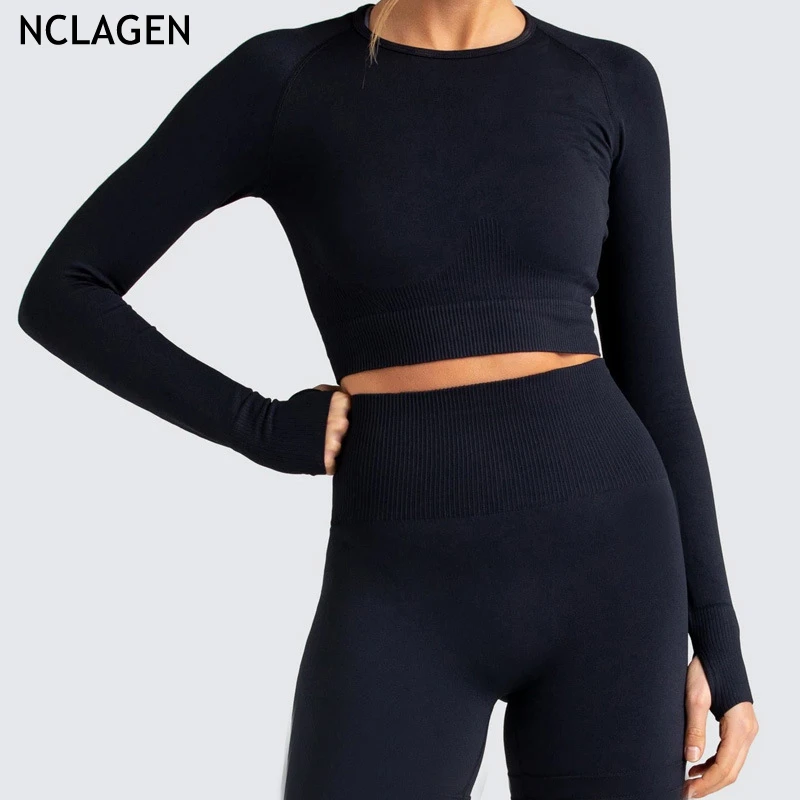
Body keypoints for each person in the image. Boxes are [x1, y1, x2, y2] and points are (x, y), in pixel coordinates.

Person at [17, 2, 758, 798]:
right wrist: (256, 424)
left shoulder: (610, 80)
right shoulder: (285, 78)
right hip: (400, 585)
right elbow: (64, 290)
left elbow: (656, 380)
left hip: (615, 573)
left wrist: (719, 640)